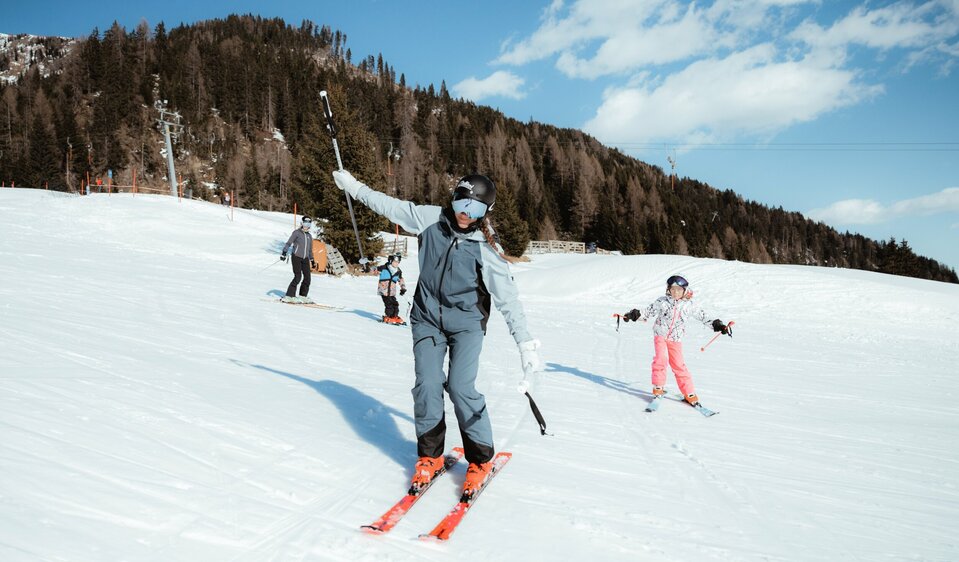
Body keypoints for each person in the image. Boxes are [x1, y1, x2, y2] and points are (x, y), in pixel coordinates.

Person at [332, 169, 542, 498]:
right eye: (462, 203)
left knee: (460, 387)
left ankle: (480, 459)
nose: (464, 213)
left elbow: (509, 301)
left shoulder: (487, 250)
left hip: (467, 325)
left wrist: (525, 346)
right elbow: (388, 205)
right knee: (427, 384)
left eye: (475, 210)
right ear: (453, 198)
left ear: (486, 213)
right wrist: (354, 187)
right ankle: (429, 456)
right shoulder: (429, 220)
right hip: (427, 319)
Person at [622, 275, 729, 408]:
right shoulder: (662, 302)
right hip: (660, 335)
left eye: (678, 289)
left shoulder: (689, 306)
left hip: (675, 339)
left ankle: (688, 393)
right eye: (672, 289)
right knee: (661, 359)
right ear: (668, 289)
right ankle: (658, 387)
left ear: (684, 290)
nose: (675, 292)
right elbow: (647, 312)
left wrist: (718, 325)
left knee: (678, 364)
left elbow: (704, 317)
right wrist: (633, 315)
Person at [280, 216, 317, 301]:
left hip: (305, 258)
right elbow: (289, 243)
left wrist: (312, 260)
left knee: (307, 278)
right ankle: (289, 295)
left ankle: (303, 296)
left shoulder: (309, 236)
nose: (306, 225)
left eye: (308, 223)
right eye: (305, 223)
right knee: (298, 276)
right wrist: (284, 252)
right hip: (296, 257)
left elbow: (310, 250)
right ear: (302, 223)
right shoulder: (297, 233)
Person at [377, 254, 407, 324]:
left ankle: (394, 316)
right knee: (389, 304)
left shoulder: (398, 271)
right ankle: (389, 316)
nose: (397, 263)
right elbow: (375, 270)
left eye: (398, 262)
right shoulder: (384, 268)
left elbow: (401, 280)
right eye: (395, 261)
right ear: (390, 261)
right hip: (384, 291)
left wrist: (403, 288)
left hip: (392, 292)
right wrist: (368, 269)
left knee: (395, 304)